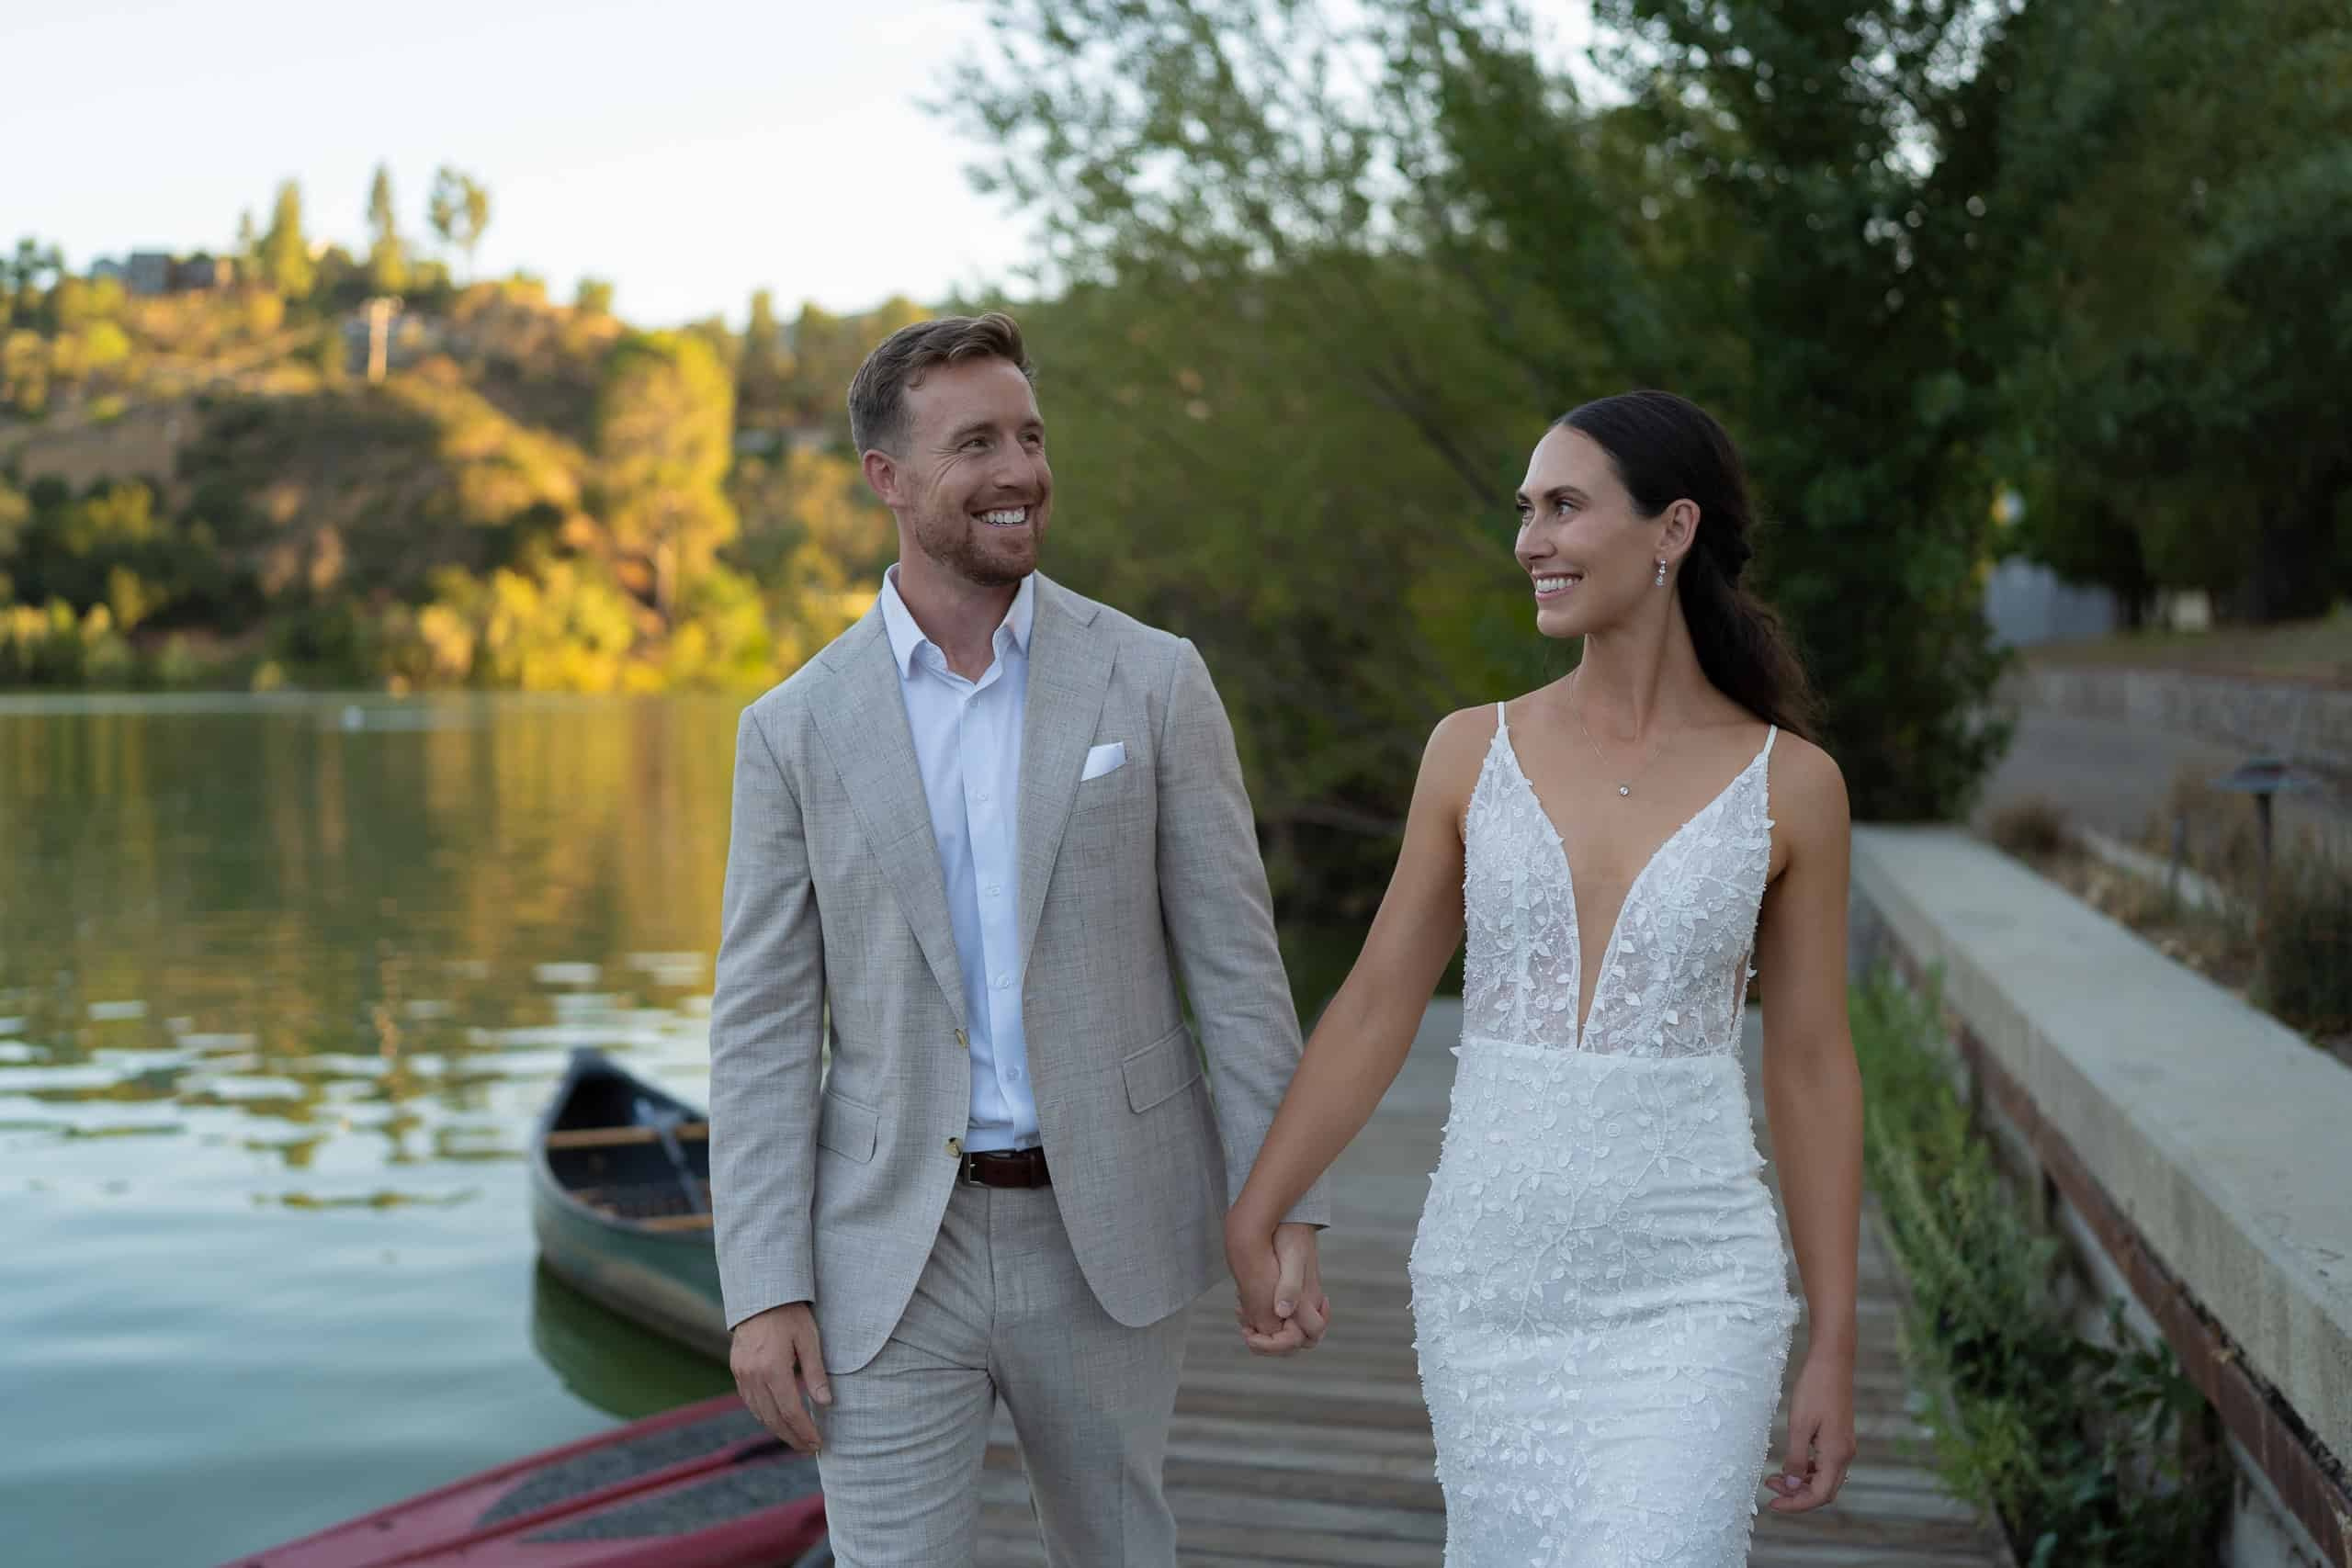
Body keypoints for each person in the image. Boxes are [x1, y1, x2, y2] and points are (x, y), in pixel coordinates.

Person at [707, 311, 1330, 1568]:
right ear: (887, 478)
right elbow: (763, 1025)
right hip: (887, 1250)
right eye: (976, 441)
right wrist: (763, 1282)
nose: (1018, 471)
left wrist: (1282, 1203)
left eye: (1031, 436)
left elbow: (1237, 969)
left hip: (1112, 1227)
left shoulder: (1153, 680)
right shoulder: (794, 728)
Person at [1223, 390, 1863, 1565]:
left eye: (1564, 508)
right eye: (1526, 511)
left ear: (1671, 531)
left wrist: (1833, 1336)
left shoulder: (1794, 786)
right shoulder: (1469, 750)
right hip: (1489, 1281)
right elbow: (1376, 1000)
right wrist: (1263, 1202)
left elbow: (1812, 1064)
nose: (1530, 541)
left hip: (1692, 1287)